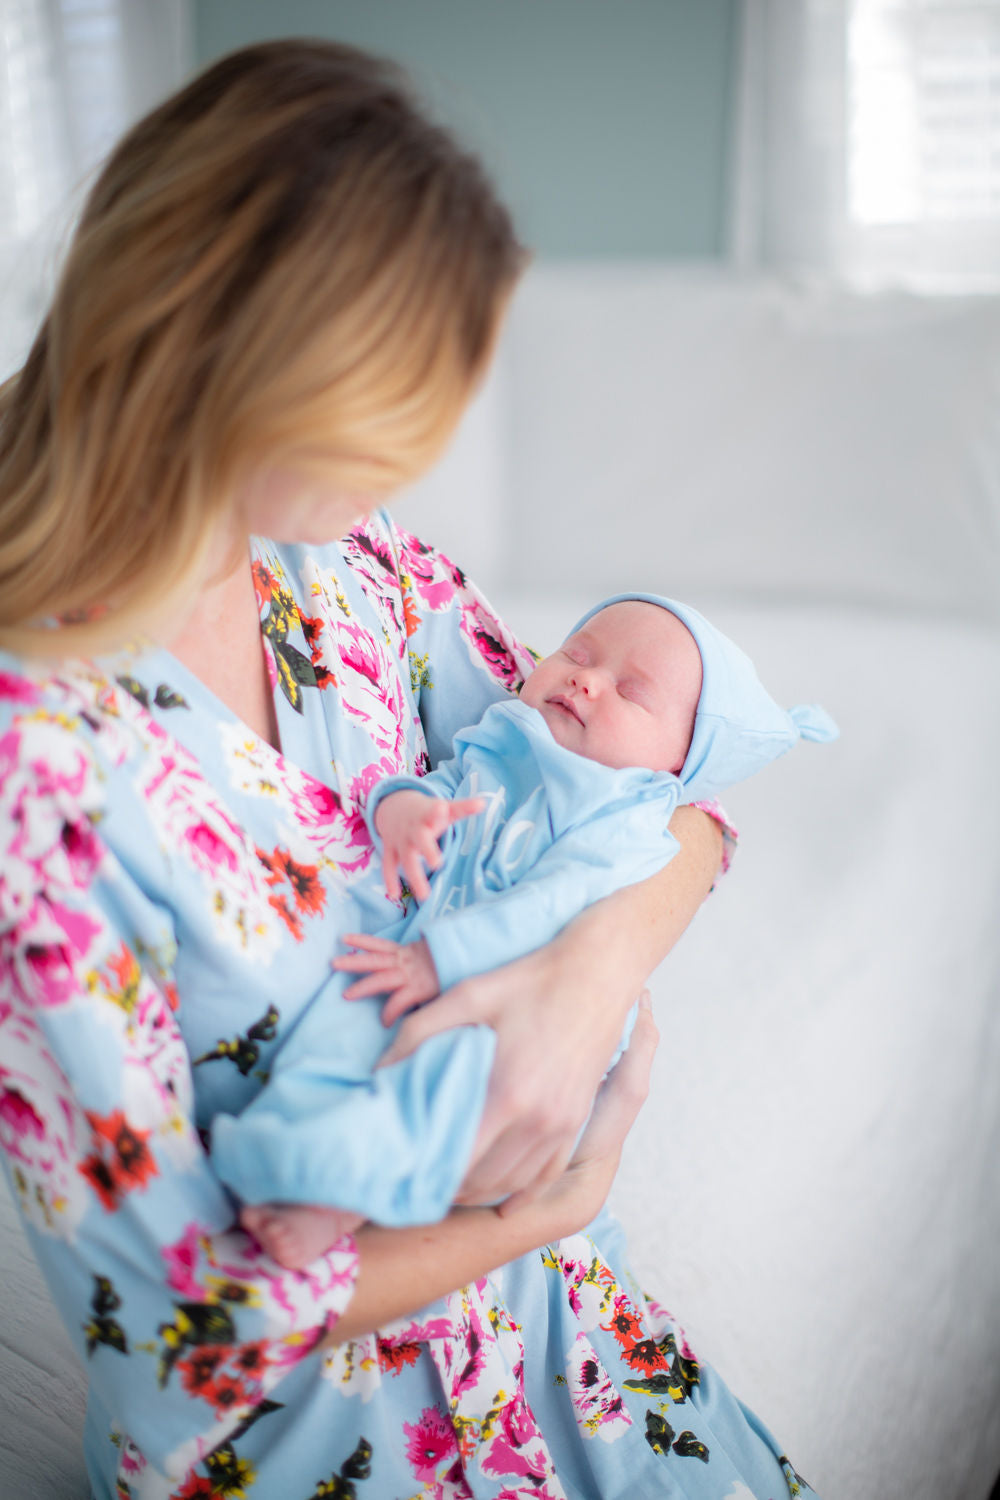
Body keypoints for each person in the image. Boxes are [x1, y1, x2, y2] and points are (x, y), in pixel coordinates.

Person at [0, 39, 818, 1500]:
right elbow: (189, 1337)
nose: (418, 465)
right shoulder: (36, 777)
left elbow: (658, 801)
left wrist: (579, 994)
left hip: (563, 1331)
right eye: (395, 415)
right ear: (238, 364)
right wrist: (547, 1202)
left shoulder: (348, 567)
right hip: (320, 1438)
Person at [214, 593, 837, 1270]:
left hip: (529, 990)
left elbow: (554, 900)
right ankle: (270, 1148)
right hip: (429, 947)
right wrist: (402, 808)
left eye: (630, 691)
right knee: (348, 1031)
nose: (585, 679)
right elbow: (446, 780)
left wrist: (441, 959)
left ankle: (338, 1204)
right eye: (577, 652)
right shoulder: (509, 735)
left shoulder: (627, 814)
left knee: (450, 1080)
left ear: (681, 767)